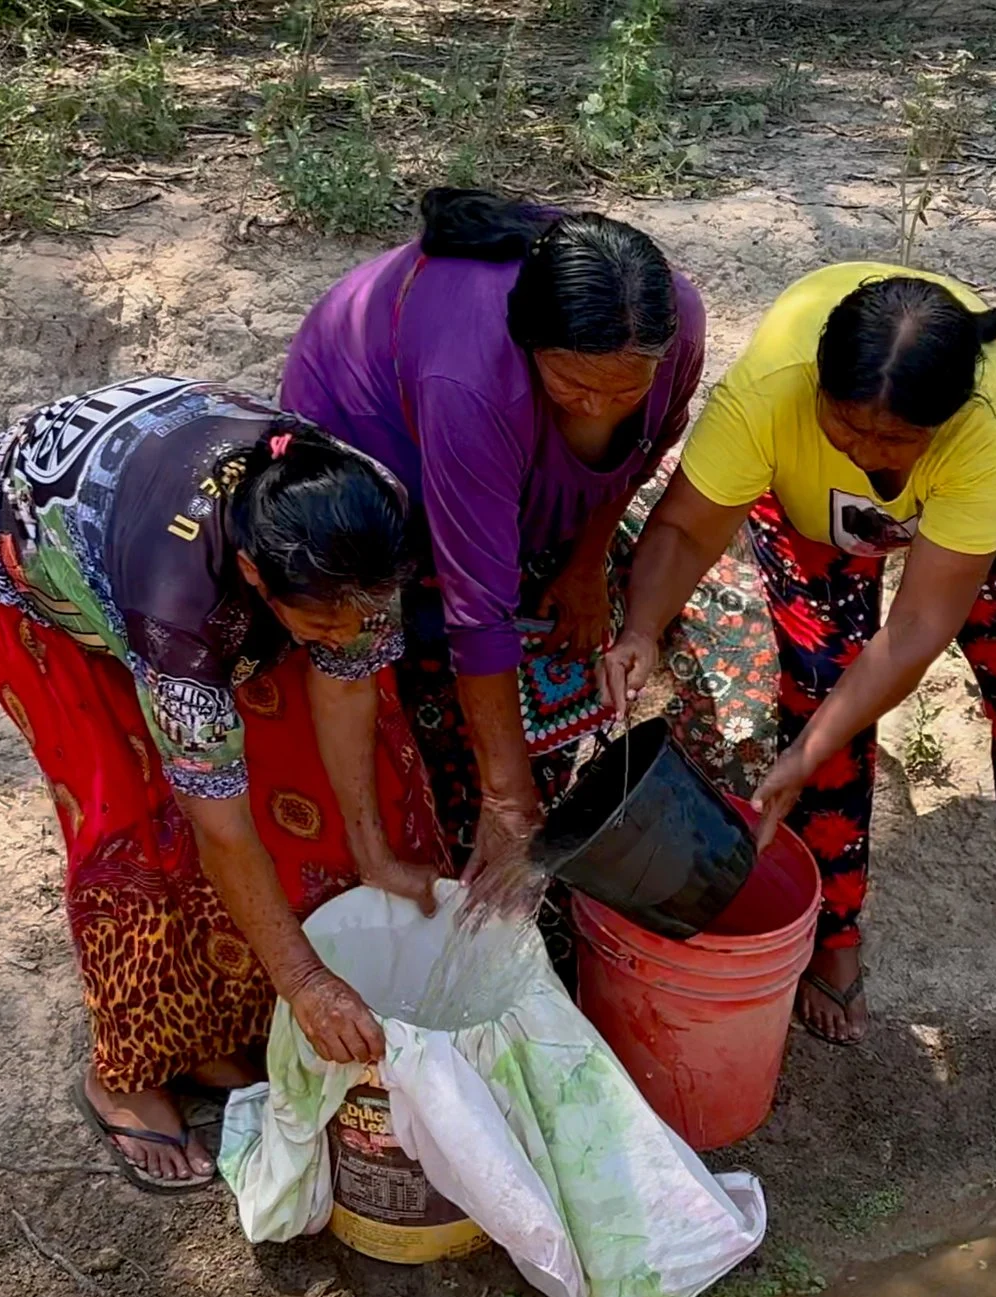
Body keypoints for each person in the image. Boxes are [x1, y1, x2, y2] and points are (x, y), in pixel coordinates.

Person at [597, 266, 996, 1045]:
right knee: (817, 681)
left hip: (965, 519)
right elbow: (686, 529)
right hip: (803, 510)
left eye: (894, 439)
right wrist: (641, 631)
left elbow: (921, 620)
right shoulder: (768, 392)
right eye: (846, 425)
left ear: (948, 419)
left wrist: (811, 747)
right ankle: (836, 931)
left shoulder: (985, 426)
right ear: (815, 387)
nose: (865, 452)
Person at [0, 377, 445, 1192]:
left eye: (358, 616)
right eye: (315, 626)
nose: (340, 638)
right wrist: (306, 982)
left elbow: (347, 680)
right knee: (139, 814)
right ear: (253, 575)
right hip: (22, 553)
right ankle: (127, 1072)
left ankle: (213, 1035)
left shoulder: (363, 514)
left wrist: (374, 853)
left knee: (307, 780)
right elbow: (223, 828)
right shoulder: (176, 606)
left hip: (157, 530)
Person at [282, 188, 759, 924]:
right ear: (529, 344)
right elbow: (480, 613)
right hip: (380, 453)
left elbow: (639, 451)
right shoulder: (471, 381)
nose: (599, 406)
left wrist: (586, 563)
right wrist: (508, 800)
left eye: (623, 389)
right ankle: (471, 835)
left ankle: (530, 817)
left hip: (501, 452)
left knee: (559, 646)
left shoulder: (674, 329)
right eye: (573, 385)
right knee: (423, 680)